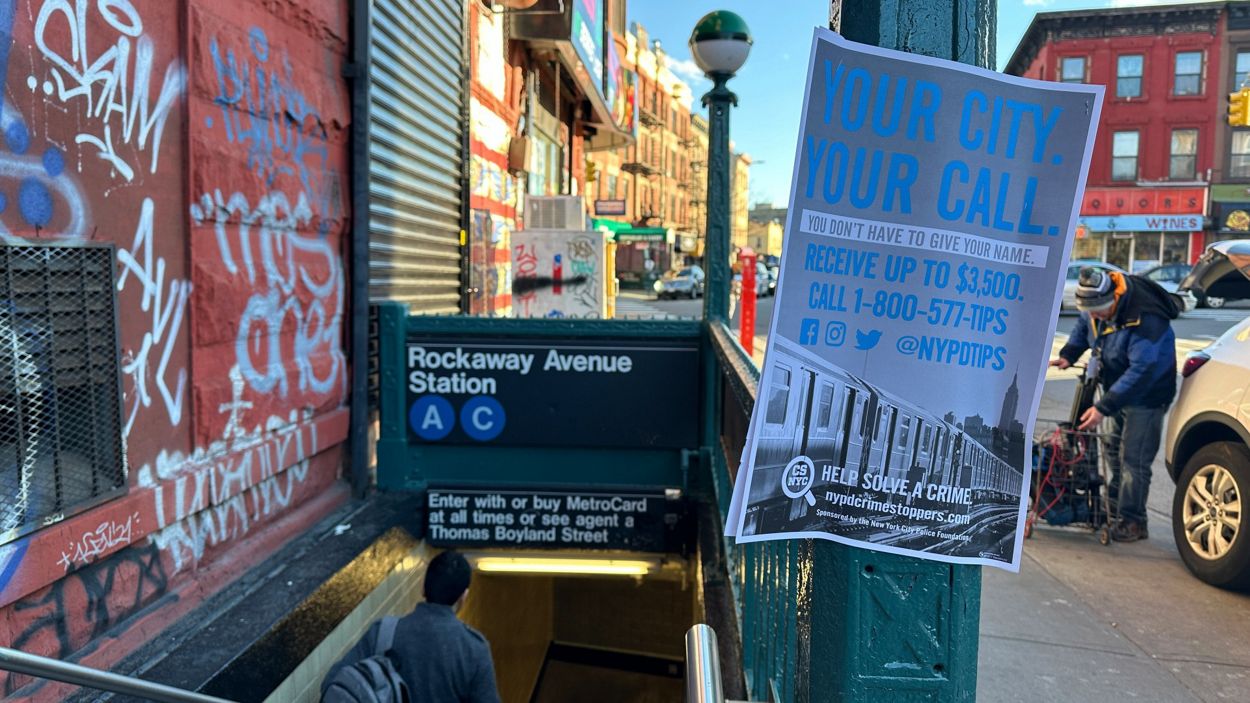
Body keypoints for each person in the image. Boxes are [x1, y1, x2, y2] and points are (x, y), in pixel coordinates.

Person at [1049, 266, 1180, 542]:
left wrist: (1103, 407)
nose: (1095, 317)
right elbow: (1083, 328)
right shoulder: (1095, 307)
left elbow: (1142, 370)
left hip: (1147, 395)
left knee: (1134, 460)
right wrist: (1069, 354)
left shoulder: (1145, 317)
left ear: (1114, 300)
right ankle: (1113, 511)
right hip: (1115, 389)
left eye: (1099, 312)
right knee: (1111, 451)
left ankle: (1133, 521)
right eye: (1090, 312)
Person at [322, 550, 501, 702]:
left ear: (423, 587)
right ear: (463, 597)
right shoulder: (473, 649)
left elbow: (334, 682)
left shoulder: (384, 632)